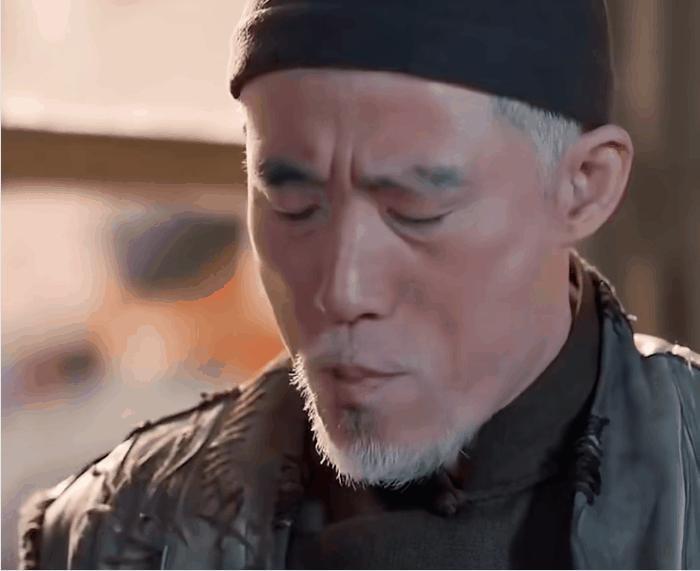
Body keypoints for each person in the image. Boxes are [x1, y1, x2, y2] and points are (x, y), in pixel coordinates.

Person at [18, 0, 699, 568]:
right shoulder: (114, 535)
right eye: (292, 203)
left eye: (416, 208)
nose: (341, 290)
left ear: (585, 185)